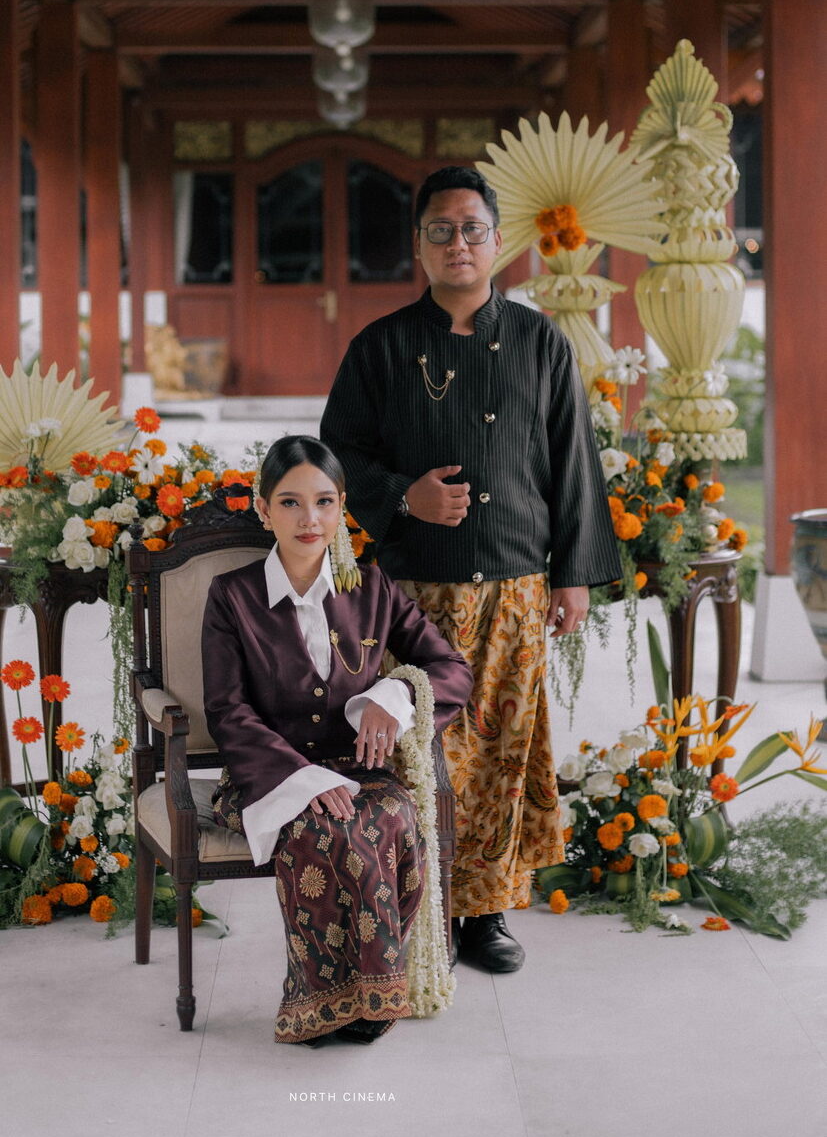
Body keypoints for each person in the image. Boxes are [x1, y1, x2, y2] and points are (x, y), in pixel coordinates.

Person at [321, 165, 621, 973]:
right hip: (411, 596)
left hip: (514, 590)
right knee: (415, 756)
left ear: (498, 242)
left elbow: (573, 460)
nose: (458, 243)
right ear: (419, 244)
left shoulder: (538, 341)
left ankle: (483, 917)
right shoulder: (380, 347)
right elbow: (336, 455)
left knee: (498, 759)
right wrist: (402, 496)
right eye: (441, 230)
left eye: (472, 229)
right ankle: (411, 910)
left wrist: (572, 574)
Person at [201, 435, 471, 1046]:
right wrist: (303, 780)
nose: (310, 518)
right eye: (290, 502)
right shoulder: (233, 596)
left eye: (324, 501)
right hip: (268, 776)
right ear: (264, 509)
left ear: (342, 507)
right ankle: (321, 1003)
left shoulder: (371, 588)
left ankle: (375, 997)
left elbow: (452, 670)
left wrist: (393, 694)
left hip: (362, 770)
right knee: (323, 827)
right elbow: (227, 711)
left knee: (390, 816)